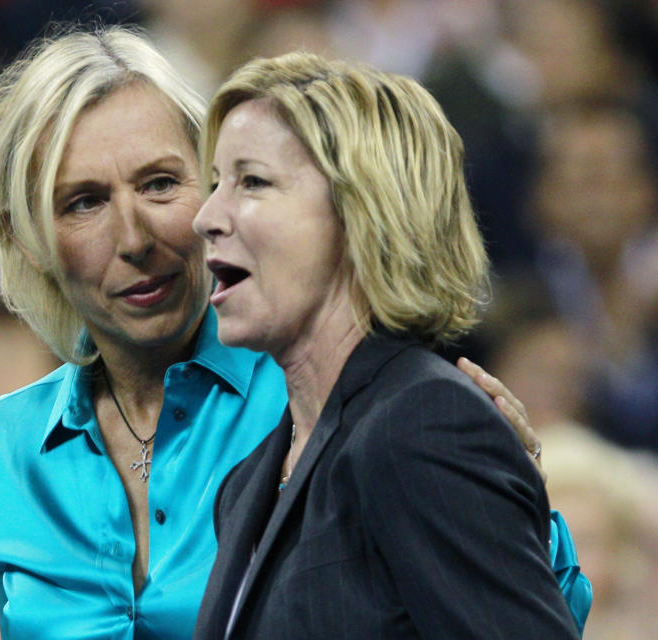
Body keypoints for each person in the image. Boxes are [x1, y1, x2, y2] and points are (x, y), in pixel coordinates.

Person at [0, 26, 589, 639]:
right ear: (27, 240)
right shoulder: (4, 449)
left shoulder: (320, 392)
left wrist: (515, 492)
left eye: (160, 184)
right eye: (83, 202)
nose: (134, 239)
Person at [192, 52, 582, 638]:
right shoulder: (248, 482)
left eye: (253, 181)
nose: (205, 216)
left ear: (363, 212)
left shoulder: (425, 426)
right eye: (215, 182)